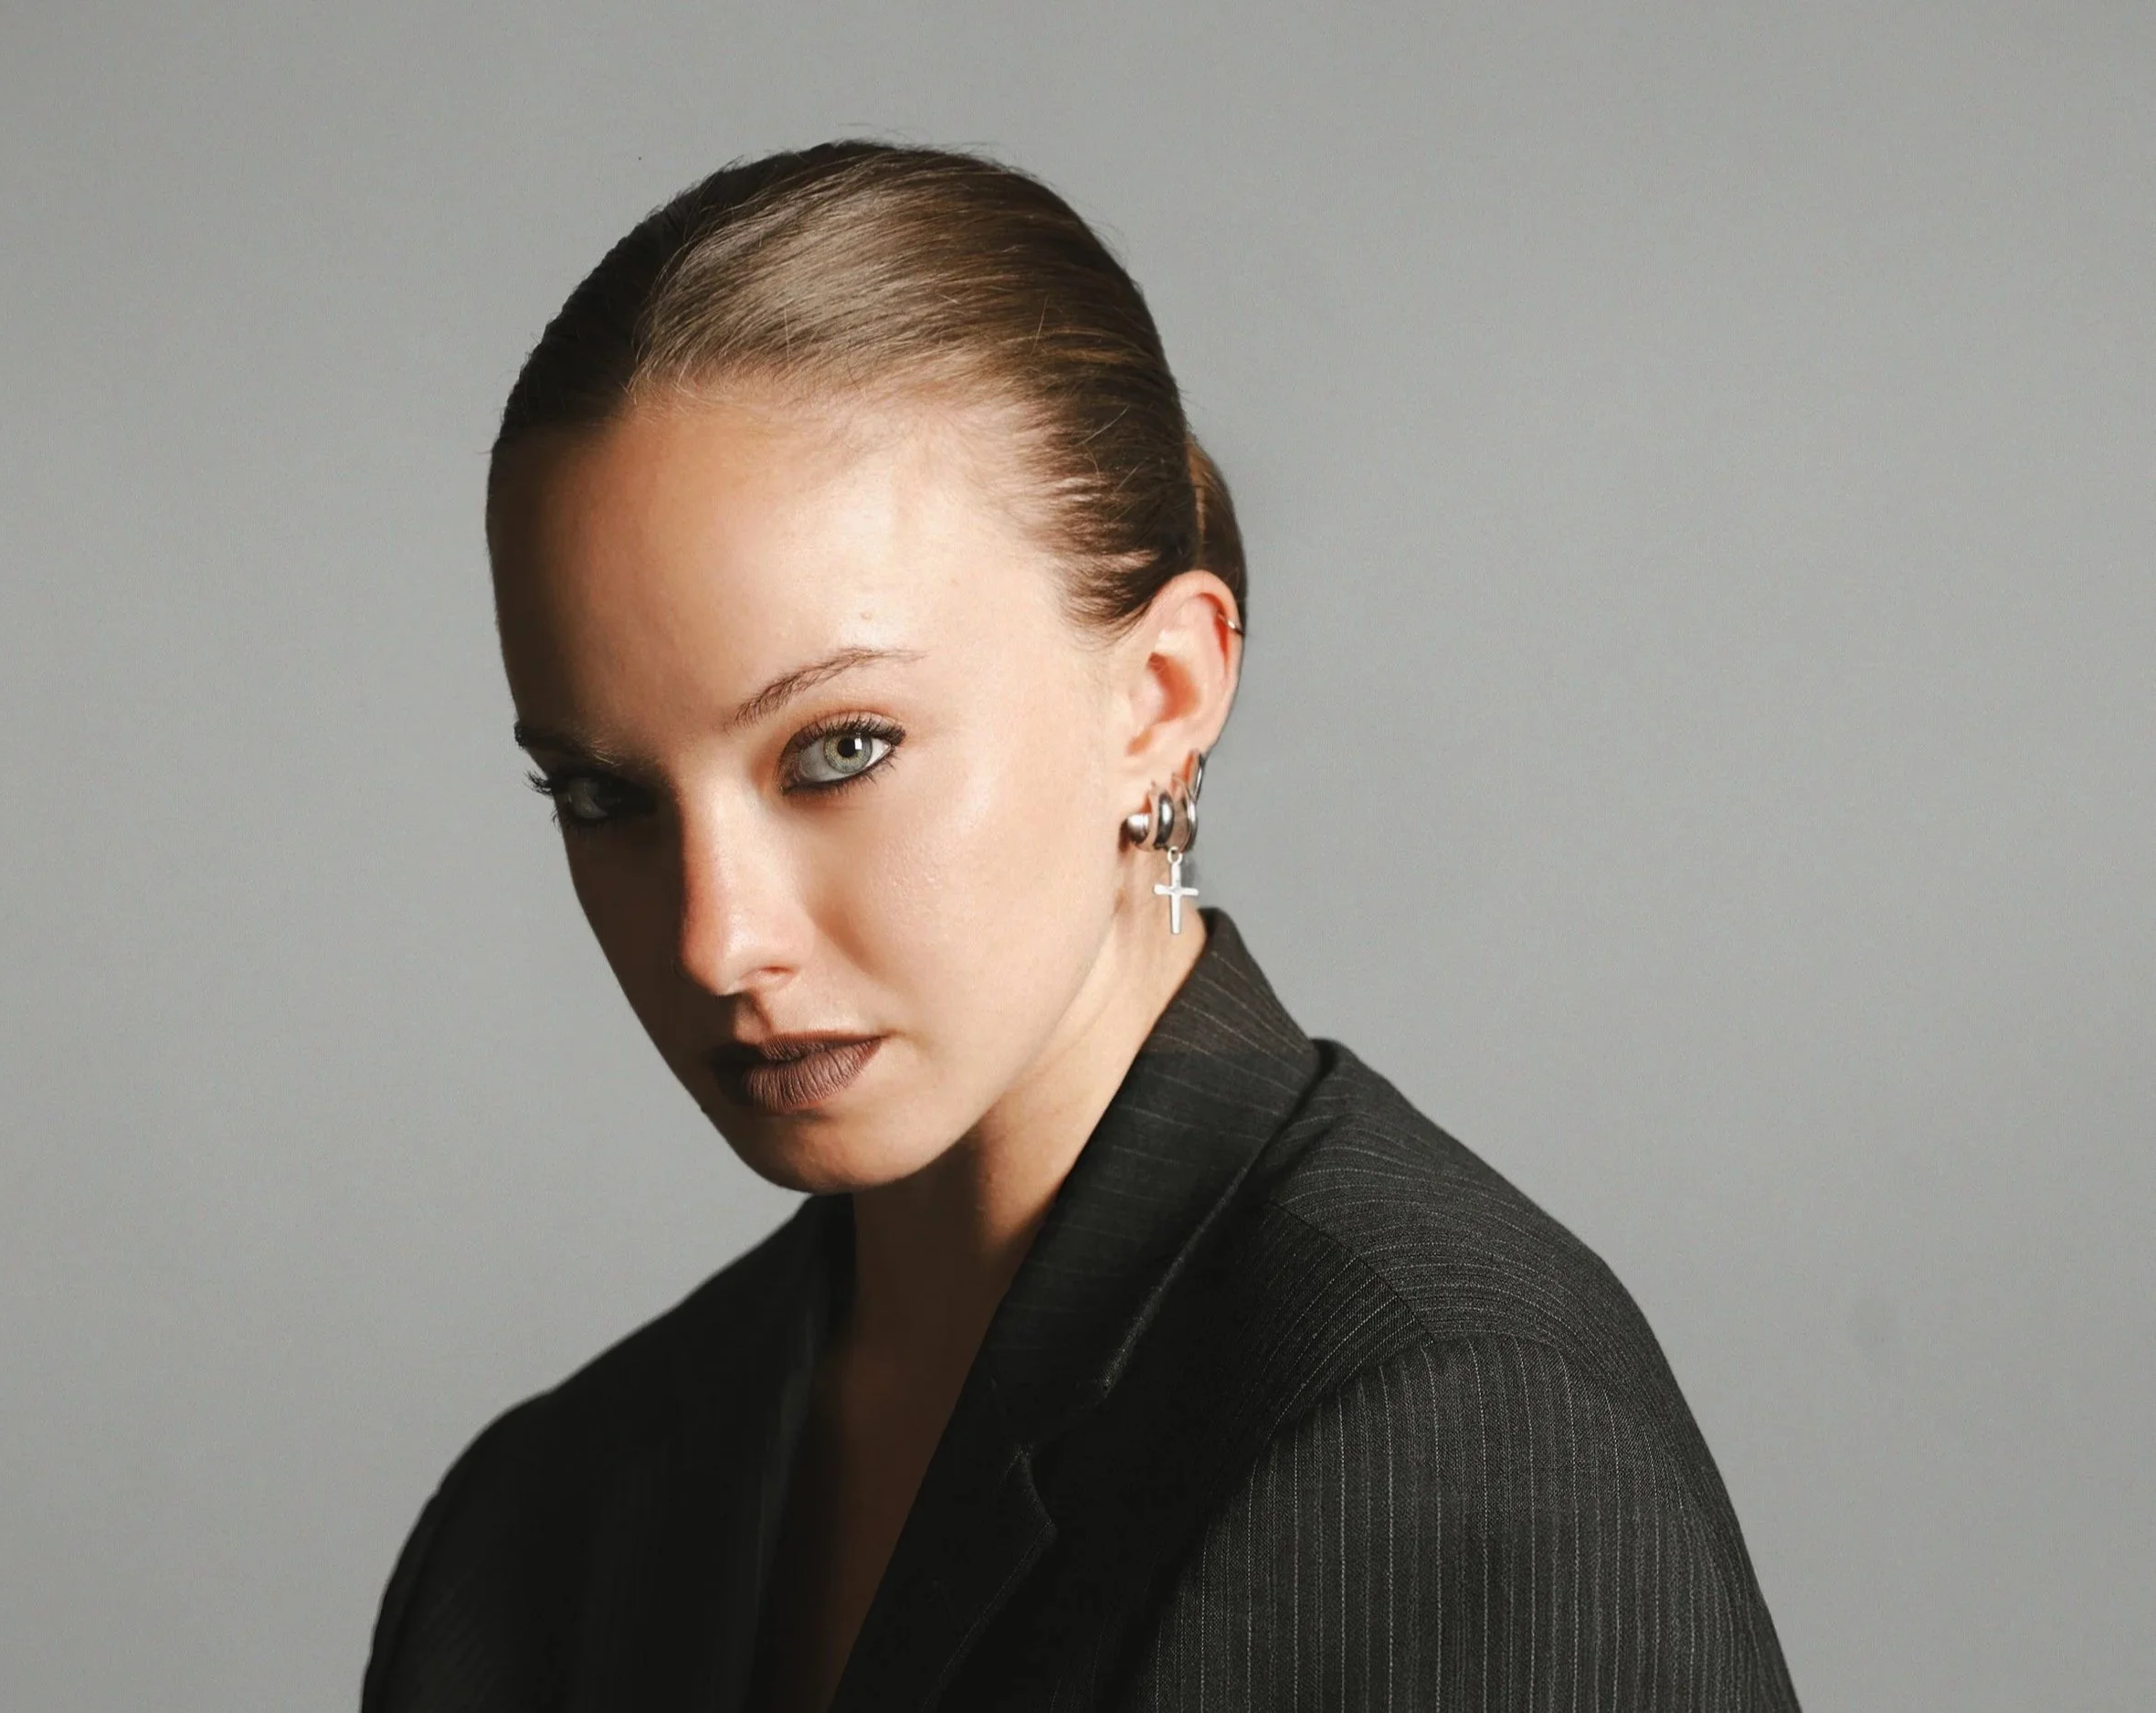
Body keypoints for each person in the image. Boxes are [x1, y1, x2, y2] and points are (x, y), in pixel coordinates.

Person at [362, 142, 1798, 1713]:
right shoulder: (543, 1526)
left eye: (839, 749)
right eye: (603, 796)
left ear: (1160, 699)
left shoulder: (1445, 1436)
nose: (717, 939)